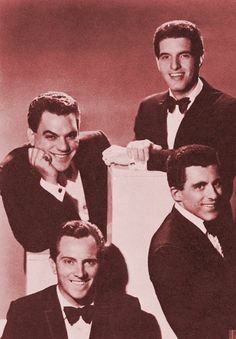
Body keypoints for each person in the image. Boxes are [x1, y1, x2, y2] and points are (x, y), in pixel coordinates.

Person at [103, 20, 236, 201]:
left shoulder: (227, 109)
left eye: (184, 56)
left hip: (209, 226)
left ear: (200, 58)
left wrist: (144, 156)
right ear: (158, 62)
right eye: (166, 57)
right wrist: (134, 153)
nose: (174, 66)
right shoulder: (148, 107)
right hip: (156, 220)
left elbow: (210, 166)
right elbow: (140, 175)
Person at [2, 220, 161, 339]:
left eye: (89, 262)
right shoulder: (24, 313)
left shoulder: (128, 311)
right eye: (69, 261)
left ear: (100, 265)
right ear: (53, 265)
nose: (80, 272)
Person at [0, 91, 110, 252]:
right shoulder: (13, 171)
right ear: (31, 136)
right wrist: (51, 183)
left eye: (71, 136)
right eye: (51, 137)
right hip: (49, 268)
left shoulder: (96, 145)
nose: (63, 147)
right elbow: (35, 242)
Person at [148, 144, 236, 339]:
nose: (213, 194)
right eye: (200, 186)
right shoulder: (168, 251)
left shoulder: (218, 219)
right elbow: (197, 332)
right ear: (176, 194)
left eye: (217, 183)